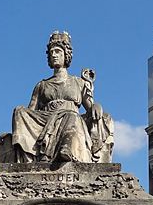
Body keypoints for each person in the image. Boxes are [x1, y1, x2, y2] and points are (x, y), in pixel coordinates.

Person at [9, 31, 114, 164]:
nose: (54, 55)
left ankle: (66, 149)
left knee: (71, 115)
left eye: (58, 51)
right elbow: (31, 111)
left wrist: (96, 105)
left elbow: (90, 107)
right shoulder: (42, 85)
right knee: (19, 111)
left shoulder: (78, 82)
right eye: (51, 52)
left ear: (66, 55)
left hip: (71, 118)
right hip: (46, 119)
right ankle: (32, 154)